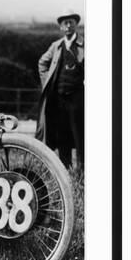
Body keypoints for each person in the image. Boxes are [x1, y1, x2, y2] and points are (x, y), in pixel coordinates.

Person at [36, 10, 84, 168]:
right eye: (65, 23)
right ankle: (66, 169)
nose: (68, 26)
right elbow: (42, 63)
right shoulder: (56, 46)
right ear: (61, 27)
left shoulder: (84, 45)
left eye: (71, 22)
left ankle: (82, 171)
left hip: (78, 99)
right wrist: (47, 83)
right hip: (59, 99)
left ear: (76, 24)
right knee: (62, 134)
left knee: (80, 135)